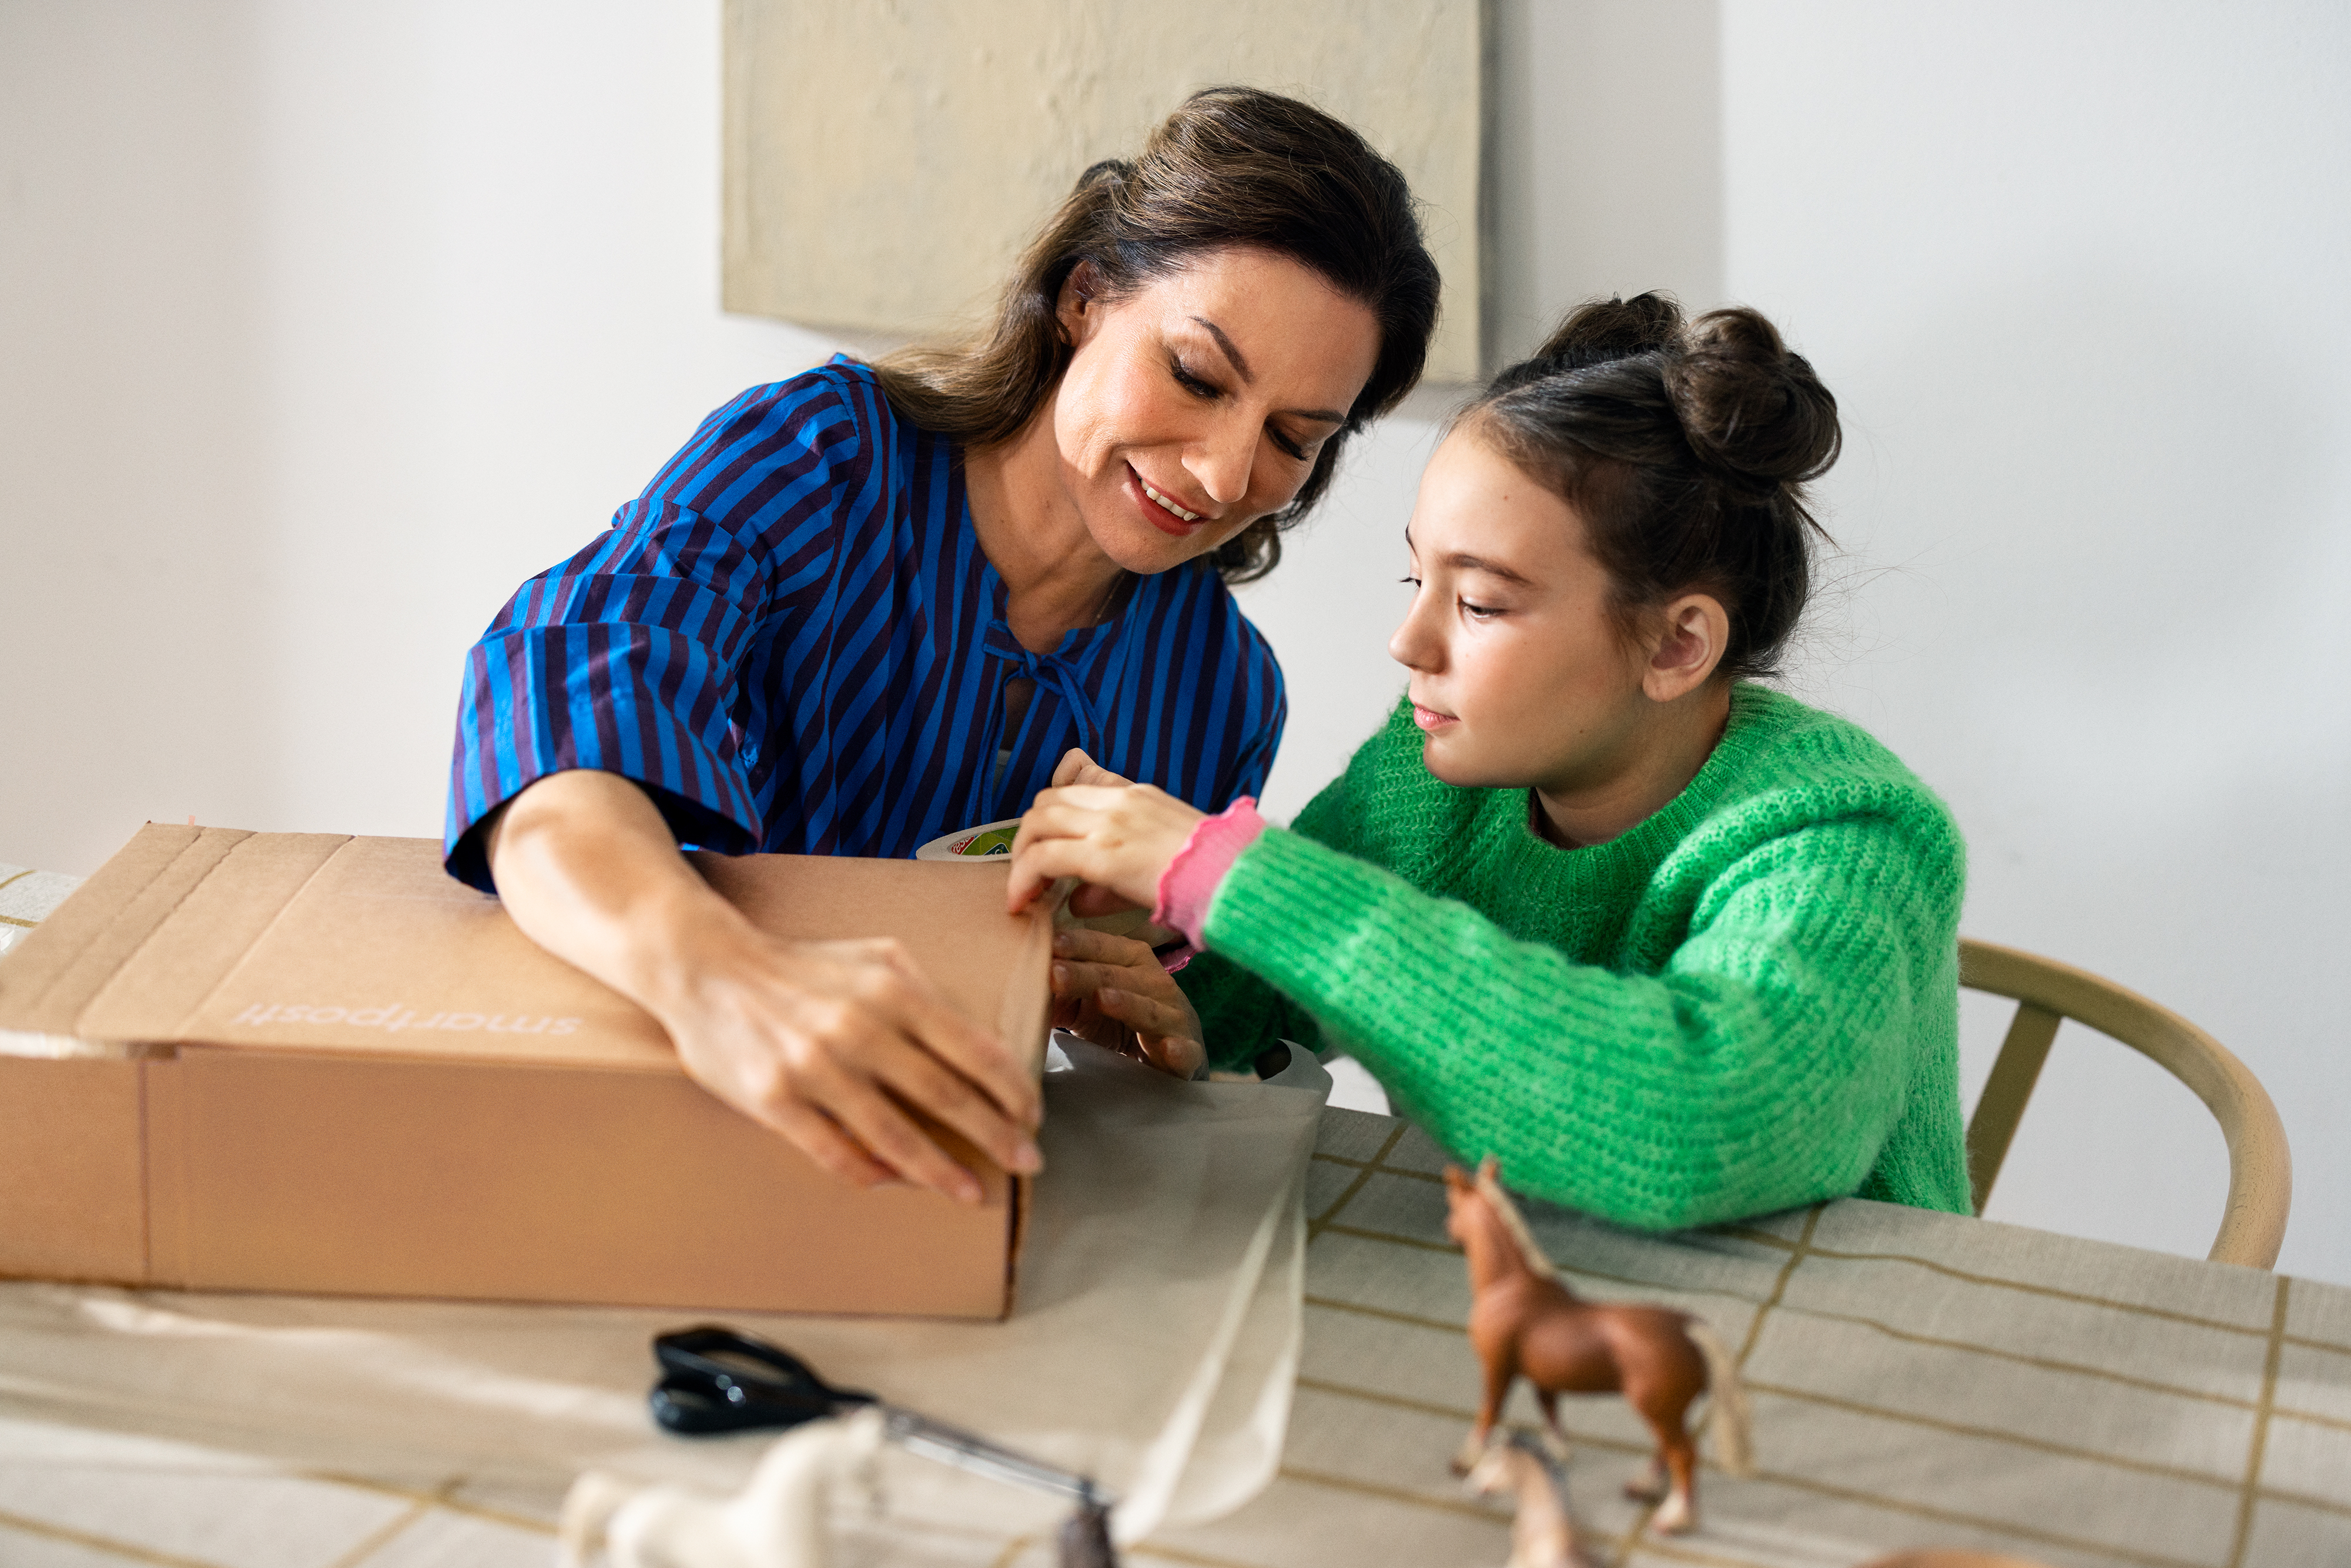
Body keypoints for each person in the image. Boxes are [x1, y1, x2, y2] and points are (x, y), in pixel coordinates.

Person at [445, 88, 1441, 1206]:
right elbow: (556, 750)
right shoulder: (813, 464)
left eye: (1292, 440)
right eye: (1197, 378)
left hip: (929, 1199)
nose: (1221, 474)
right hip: (654, 1134)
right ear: (1086, 297)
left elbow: (1083, 1044)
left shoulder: (1221, 699)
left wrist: (1144, 1036)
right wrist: (729, 985)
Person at [1007, 294, 1972, 1231]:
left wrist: (1229, 873)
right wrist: (1151, 991)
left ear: (1679, 646)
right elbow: (1254, 999)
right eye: (1417, 576)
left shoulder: (1844, 836)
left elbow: (1705, 1124)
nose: (1407, 642)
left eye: (1480, 604)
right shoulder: (1431, 781)